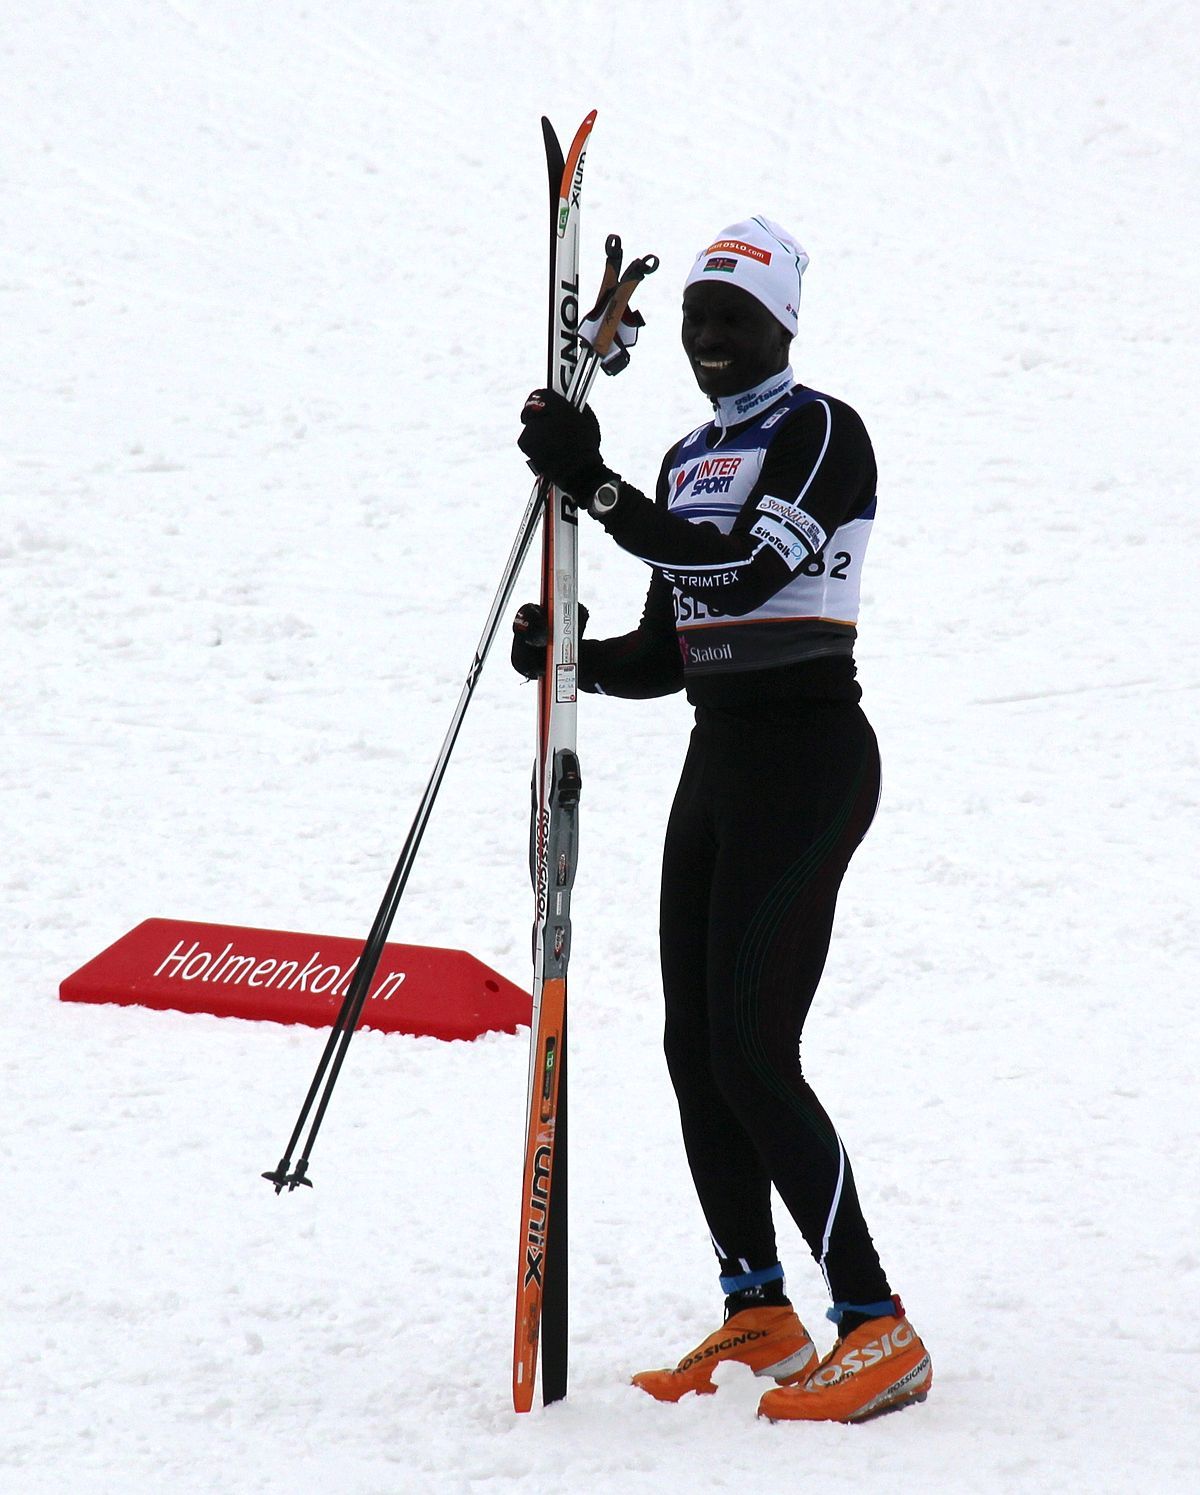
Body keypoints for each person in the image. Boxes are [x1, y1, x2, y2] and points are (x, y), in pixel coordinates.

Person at [512, 217, 931, 1424]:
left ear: (783, 324)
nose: (705, 337)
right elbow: (672, 645)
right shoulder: (694, 451)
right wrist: (574, 658)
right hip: (721, 760)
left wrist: (593, 485)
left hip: (808, 762)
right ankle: (760, 1306)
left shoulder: (821, 432)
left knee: (755, 1047)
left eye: (731, 317)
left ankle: (877, 1323)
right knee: (694, 1044)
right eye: (695, 316)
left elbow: (746, 573)